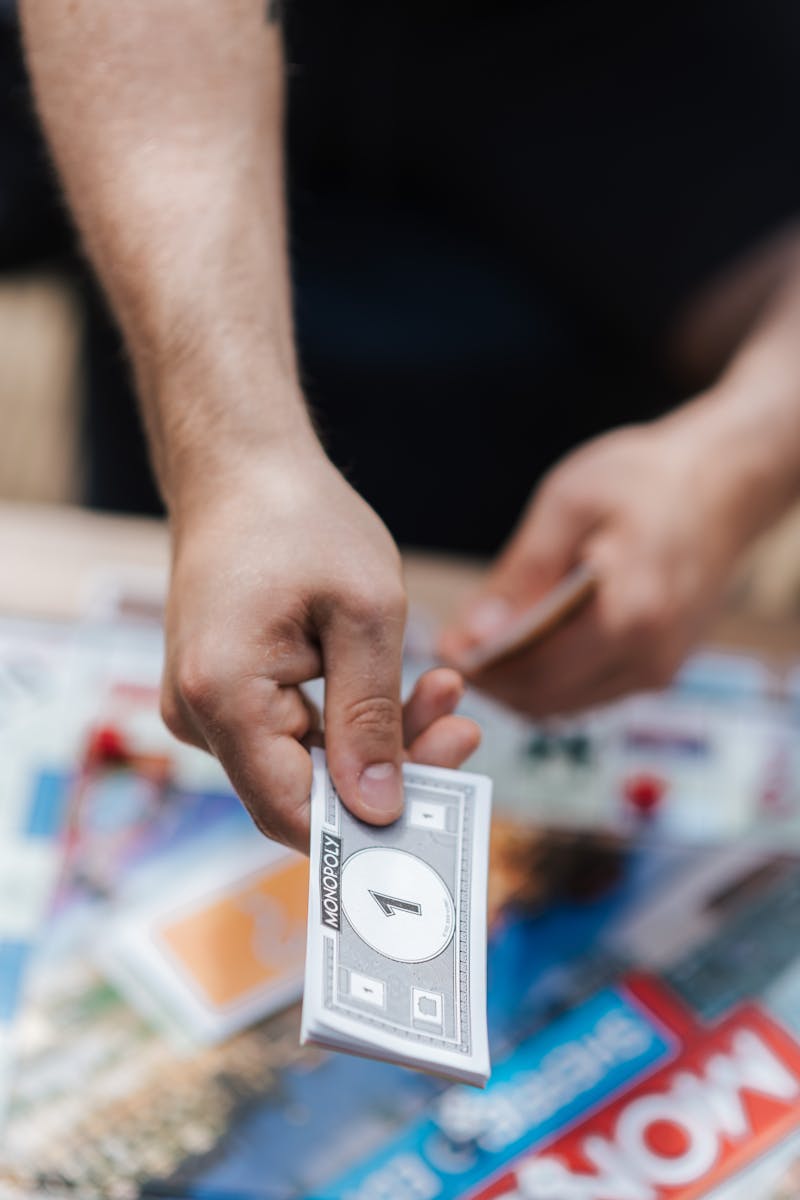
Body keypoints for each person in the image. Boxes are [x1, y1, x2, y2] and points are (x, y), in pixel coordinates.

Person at [20, 1, 800, 851]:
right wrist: (231, 455)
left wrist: (734, 457)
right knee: (209, 640)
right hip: (195, 139)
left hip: (649, 215)